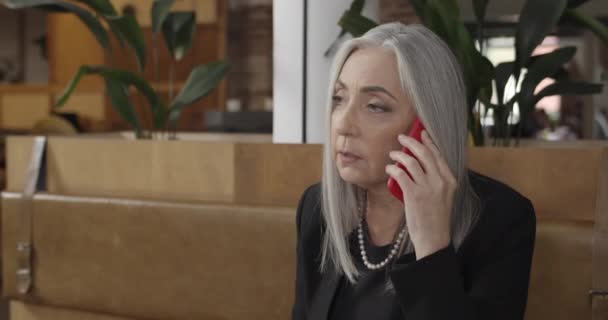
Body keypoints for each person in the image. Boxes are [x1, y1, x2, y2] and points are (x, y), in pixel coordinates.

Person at [292, 23, 536, 320]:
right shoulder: (317, 208)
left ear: (427, 125)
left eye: (375, 106)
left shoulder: (501, 219)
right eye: (339, 99)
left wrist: (432, 247)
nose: (343, 124)